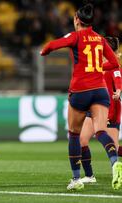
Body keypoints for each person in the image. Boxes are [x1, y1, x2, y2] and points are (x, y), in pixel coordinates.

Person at [40, 4, 122, 191]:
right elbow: (115, 63)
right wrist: (99, 68)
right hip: (100, 91)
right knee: (101, 131)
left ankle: (76, 179)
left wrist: (43, 51)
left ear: (77, 19)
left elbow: (52, 45)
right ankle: (115, 162)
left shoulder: (75, 36)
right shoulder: (100, 39)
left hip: (80, 91)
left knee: (74, 135)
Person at [79, 36, 122, 184]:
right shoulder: (97, 65)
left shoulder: (114, 66)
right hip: (93, 109)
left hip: (110, 110)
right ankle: (89, 175)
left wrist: (119, 91)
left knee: (114, 148)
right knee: (82, 140)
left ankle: (117, 170)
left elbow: (118, 79)